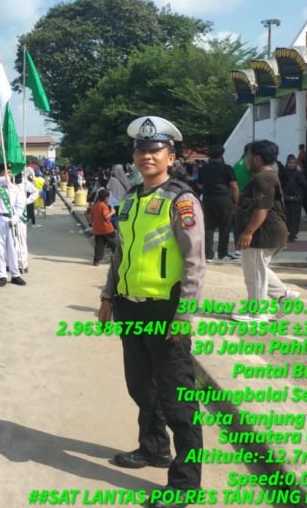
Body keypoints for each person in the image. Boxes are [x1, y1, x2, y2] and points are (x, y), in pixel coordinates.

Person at [96, 116, 205, 508]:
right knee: (141, 387)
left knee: (178, 399)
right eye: (141, 150)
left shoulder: (182, 200)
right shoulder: (130, 201)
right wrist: (108, 297)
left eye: (155, 149)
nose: (146, 156)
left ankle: (186, 484)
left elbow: (195, 263)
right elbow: (120, 255)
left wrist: (185, 313)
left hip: (166, 311)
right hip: (130, 308)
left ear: (171, 156)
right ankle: (154, 447)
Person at [232, 140, 298, 323]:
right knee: (257, 270)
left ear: (256, 158)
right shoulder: (268, 176)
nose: (245, 161)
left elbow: (262, 208)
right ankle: (285, 296)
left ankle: (257, 313)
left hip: (263, 233)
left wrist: (248, 232)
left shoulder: (263, 178)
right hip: (268, 232)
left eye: (247, 157)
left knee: (254, 275)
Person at [0, 163, 27, 287]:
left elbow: (20, 205)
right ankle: (2, 275)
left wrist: (16, 217)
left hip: (12, 219)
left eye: (9, 172)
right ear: (0, 173)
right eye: (5, 172)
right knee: (1, 248)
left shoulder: (15, 188)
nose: (7, 175)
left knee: (13, 248)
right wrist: (0, 180)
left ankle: (15, 274)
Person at [198, 145, 238, 263]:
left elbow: (200, 185)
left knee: (209, 227)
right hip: (224, 199)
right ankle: (222, 253)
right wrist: (236, 201)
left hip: (208, 199)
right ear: (221, 155)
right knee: (225, 227)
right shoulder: (227, 168)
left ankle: (208, 254)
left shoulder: (203, 168)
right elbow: (234, 187)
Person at [15, 172, 38, 273]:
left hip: (21, 216)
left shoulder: (24, 183)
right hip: (10, 215)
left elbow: (35, 192)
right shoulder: (7, 183)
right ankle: (11, 263)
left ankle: (23, 264)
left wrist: (27, 201)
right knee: (12, 242)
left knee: (21, 241)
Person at [281, 155, 306, 242]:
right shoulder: (283, 172)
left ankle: (293, 233)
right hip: (286, 198)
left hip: (296, 198)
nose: (292, 165)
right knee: (286, 216)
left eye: (294, 163)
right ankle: (287, 233)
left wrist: (300, 175)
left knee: (295, 217)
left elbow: (304, 184)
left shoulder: (298, 173)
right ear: (287, 163)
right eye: (290, 163)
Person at [89, 188, 116, 265]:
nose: (108, 199)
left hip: (97, 229)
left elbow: (91, 218)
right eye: (108, 197)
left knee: (99, 246)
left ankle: (96, 260)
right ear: (105, 198)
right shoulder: (103, 206)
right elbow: (106, 216)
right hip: (107, 229)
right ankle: (118, 258)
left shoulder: (95, 206)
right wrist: (112, 212)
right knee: (113, 244)